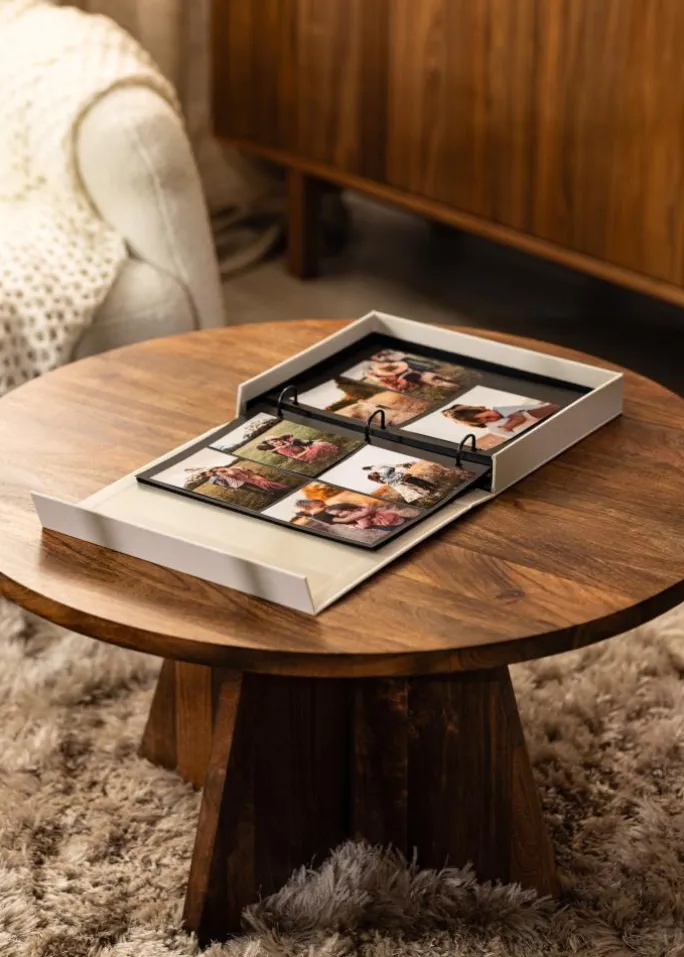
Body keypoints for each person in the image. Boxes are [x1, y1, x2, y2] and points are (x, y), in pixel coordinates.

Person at [442, 400, 560, 435]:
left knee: (526, 415)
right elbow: (513, 435)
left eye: (487, 416)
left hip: (541, 414)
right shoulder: (493, 429)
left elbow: (520, 417)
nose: (492, 419)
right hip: (539, 429)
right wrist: (508, 427)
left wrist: (507, 426)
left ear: (485, 409)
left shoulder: (499, 409)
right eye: (486, 421)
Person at [362, 462, 436, 503]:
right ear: (374, 477)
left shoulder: (381, 474)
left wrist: (371, 467)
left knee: (422, 484)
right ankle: (431, 493)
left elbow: (391, 468)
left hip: (405, 478)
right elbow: (391, 470)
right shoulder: (382, 478)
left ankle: (433, 489)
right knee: (421, 486)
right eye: (372, 474)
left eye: (372, 472)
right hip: (405, 480)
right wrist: (402, 476)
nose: (374, 472)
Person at [186, 464, 289, 493]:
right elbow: (222, 484)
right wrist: (228, 486)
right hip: (236, 484)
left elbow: (233, 472)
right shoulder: (213, 478)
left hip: (242, 480)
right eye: (204, 474)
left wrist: (222, 471)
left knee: (258, 485)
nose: (207, 473)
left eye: (206, 472)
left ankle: (271, 490)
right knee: (254, 490)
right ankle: (268, 492)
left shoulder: (220, 471)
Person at [257, 433, 339, 464]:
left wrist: (280, 437)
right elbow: (296, 457)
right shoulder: (281, 449)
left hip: (305, 448)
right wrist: (307, 450)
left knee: (320, 444)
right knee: (319, 446)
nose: (277, 443)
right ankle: (320, 457)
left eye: (277, 440)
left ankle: (330, 453)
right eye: (273, 443)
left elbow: (291, 435)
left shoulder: (285, 441)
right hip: (304, 455)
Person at [324, 501, 414, 530]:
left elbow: (365, 524)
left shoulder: (356, 514)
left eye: (339, 513)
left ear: (346, 508)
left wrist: (355, 526)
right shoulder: (358, 509)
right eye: (338, 515)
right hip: (393, 518)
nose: (340, 515)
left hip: (390, 523)